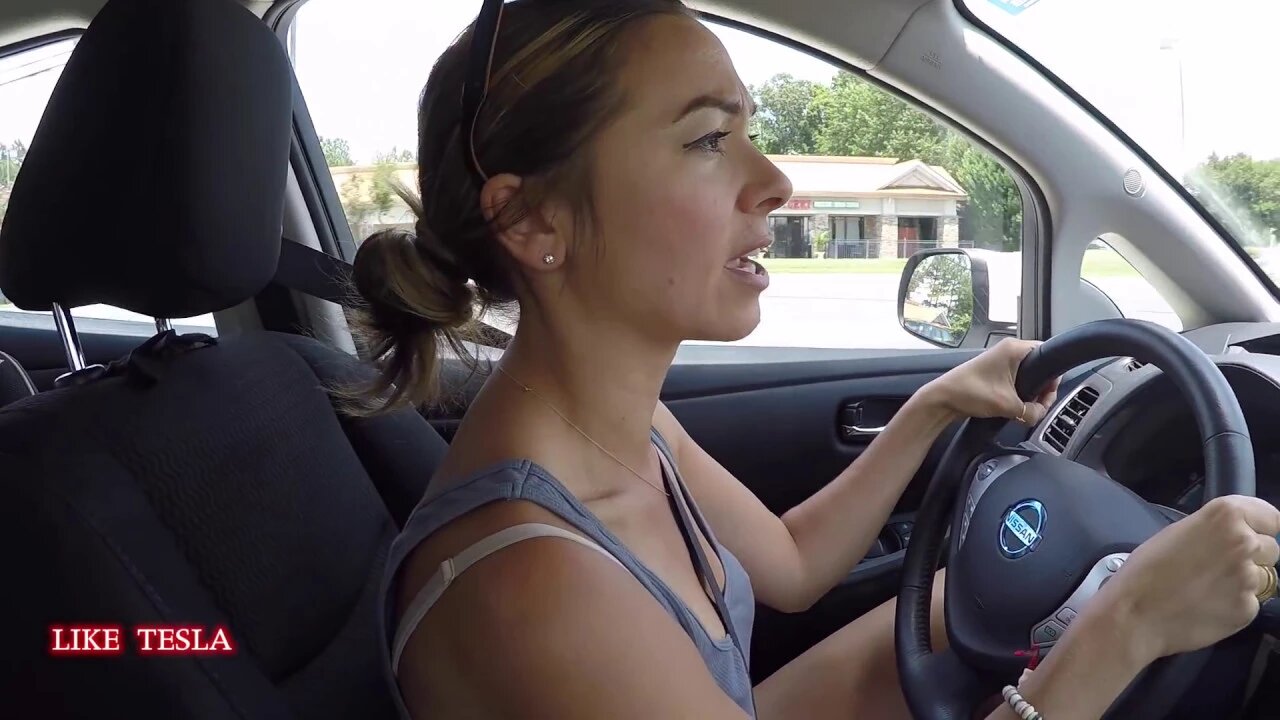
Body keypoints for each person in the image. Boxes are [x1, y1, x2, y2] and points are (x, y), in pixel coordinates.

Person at [353, 1, 1280, 717]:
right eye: (709, 140)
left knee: (958, 607)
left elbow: (792, 564)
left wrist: (936, 406)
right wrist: (1129, 624)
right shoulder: (531, 586)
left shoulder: (621, 429)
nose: (775, 182)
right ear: (532, 221)